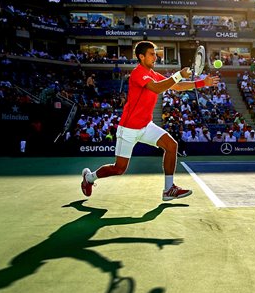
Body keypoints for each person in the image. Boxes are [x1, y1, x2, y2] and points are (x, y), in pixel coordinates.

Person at [81, 41, 220, 201]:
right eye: (152, 54)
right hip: (128, 129)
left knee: (172, 145)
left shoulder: (153, 74)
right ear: (141, 57)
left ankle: (169, 189)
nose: (156, 56)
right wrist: (179, 74)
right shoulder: (137, 73)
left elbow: (176, 87)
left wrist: (203, 82)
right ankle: (90, 178)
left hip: (146, 126)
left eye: (155, 53)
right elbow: (156, 88)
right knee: (119, 168)